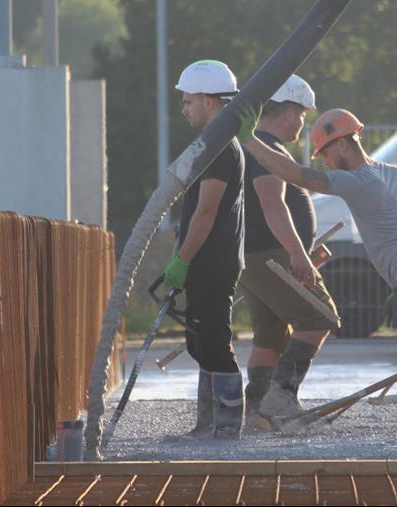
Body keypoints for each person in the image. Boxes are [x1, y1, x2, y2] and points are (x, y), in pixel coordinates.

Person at [236, 105, 397, 457]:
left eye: (325, 152)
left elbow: (292, 173)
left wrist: (247, 138)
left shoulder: (355, 181)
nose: (325, 161)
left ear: (344, 144)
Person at [238, 75, 339, 426]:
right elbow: (272, 205)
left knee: (270, 334)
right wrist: (297, 253)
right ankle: (281, 398)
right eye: (301, 115)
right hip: (272, 256)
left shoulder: (252, 149)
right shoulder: (269, 152)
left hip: (253, 259)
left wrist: (304, 249)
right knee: (320, 316)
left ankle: (256, 413)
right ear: (288, 113)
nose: (302, 123)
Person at [162, 60, 246, 439]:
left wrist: (182, 259)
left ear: (210, 102)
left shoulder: (220, 149)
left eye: (189, 100)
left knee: (212, 341)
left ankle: (226, 427)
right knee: (199, 342)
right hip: (206, 261)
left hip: (212, 261)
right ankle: (208, 424)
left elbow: (206, 212)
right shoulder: (213, 145)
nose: (183, 108)